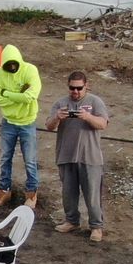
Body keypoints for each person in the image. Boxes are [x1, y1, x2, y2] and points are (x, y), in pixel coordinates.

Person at [45, 70, 110, 241]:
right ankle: (71, 220)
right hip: (66, 155)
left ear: (86, 86)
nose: (75, 92)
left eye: (79, 88)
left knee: (92, 194)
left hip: (90, 157)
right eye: (72, 88)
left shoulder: (95, 102)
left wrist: (87, 117)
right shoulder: (61, 103)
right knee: (68, 193)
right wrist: (57, 117)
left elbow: (103, 124)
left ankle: (96, 226)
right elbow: (49, 126)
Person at [0, 44, 42, 209]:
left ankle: (31, 193)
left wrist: (7, 93)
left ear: (19, 61)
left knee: (30, 160)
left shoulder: (30, 70)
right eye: (8, 65)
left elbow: (31, 96)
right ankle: (4, 190)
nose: (12, 68)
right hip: (8, 122)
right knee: (5, 158)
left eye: (14, 64)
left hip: (27, 122)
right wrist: (19, 95)